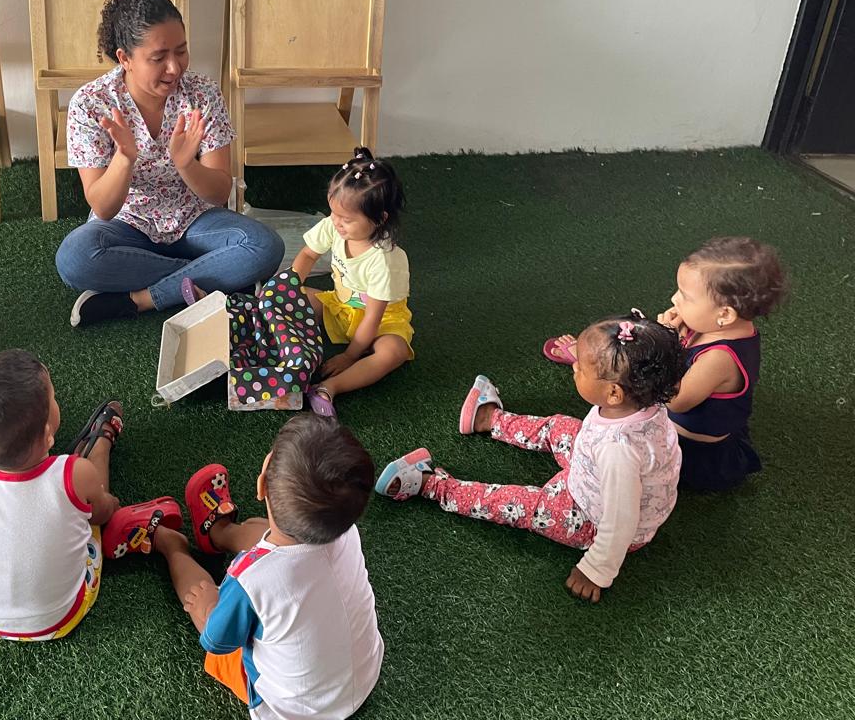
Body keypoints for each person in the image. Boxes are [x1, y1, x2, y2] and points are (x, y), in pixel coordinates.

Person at [378, 313, 683, 602]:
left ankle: (432, 485)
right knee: (560, 427)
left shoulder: (619, 451)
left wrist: (595, 571)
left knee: (519, 503)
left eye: (581, 369)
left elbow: (620, 523)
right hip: (594, 474)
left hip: (591, 519)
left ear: (614, 393)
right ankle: (488, 419)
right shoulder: (643, 403)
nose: (574, 368)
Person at [55, 0, 283, 328]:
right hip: (128, 225)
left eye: (181, 51)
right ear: (125, 58)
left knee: (264, 246)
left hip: (195, 220)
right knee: (75, 258)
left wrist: (186, 164)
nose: (175, 68)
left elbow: (219, 192)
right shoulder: (91, 103)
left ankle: (141, 300)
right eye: (159, 58)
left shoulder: (202, 93)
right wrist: (124, 159)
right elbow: (103, 206)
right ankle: (219, 278)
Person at [150, 415, 384, 719]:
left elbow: (217, 641)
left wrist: (208, 606)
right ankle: (221, 534)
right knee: (279, 536)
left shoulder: (250, 581)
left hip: (295, 710)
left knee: (203, 600)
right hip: (364, 673)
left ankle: (170, 544)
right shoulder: (345, 530)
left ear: (262, 485)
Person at [0, 349, 182, 640]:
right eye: (54, 398)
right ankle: (100, 446)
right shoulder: (74, 474)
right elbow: (101, 514)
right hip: (58, 619)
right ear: (48, 434)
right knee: (88, 502)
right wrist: (108, 502)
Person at [542, 237, 788, 490]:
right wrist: (674, 337)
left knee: (633, 394)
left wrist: (666, 340)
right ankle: (599, 360)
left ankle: (600, 364)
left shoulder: (719, 358)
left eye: (686, 296)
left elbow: (675, 400)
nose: (674, 299)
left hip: (691, 451)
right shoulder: (711, 325)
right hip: (687, 425)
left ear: (724, 314)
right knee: (642, 363)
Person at [292, 147, 412, 417]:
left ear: (380, 219)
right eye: (333, 212)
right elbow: (308, 255)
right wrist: (286, 288)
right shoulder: (334, 225)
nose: (336, 223)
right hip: (339, 307)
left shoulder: (385, 260)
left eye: (346, 219)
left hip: (381, 322)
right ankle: (248, 317)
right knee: (290, 295)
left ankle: (329, 388)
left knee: (393, 352)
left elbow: (373, 317)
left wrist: (349, 355)